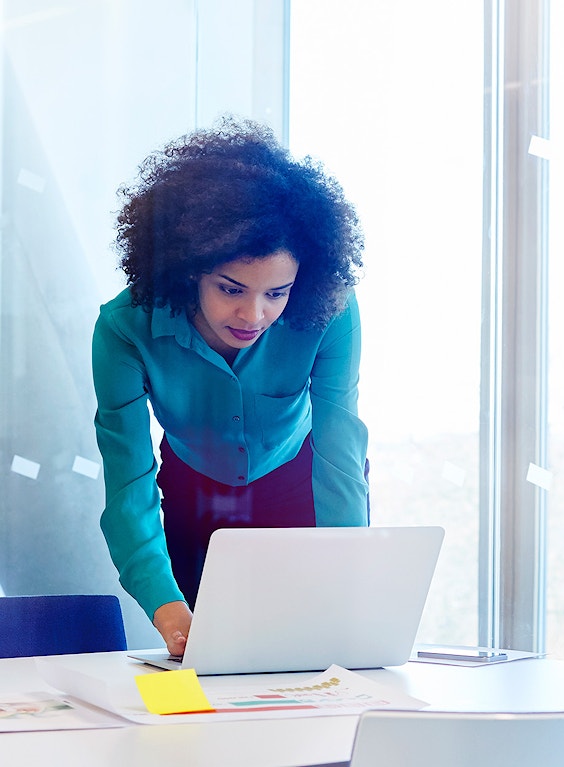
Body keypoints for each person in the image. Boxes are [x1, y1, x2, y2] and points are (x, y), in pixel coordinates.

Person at [92, 117, 369, 656]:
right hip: (195, 491)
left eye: (277, 293)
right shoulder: (123, 328)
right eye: (230, 288)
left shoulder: (333, 312)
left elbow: (340, 456)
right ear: (186, 268)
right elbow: (129, 484)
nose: (254, 314)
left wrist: (346, 577)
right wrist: (163, 603)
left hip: (301, 480)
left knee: (318, 652)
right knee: (204, 658)